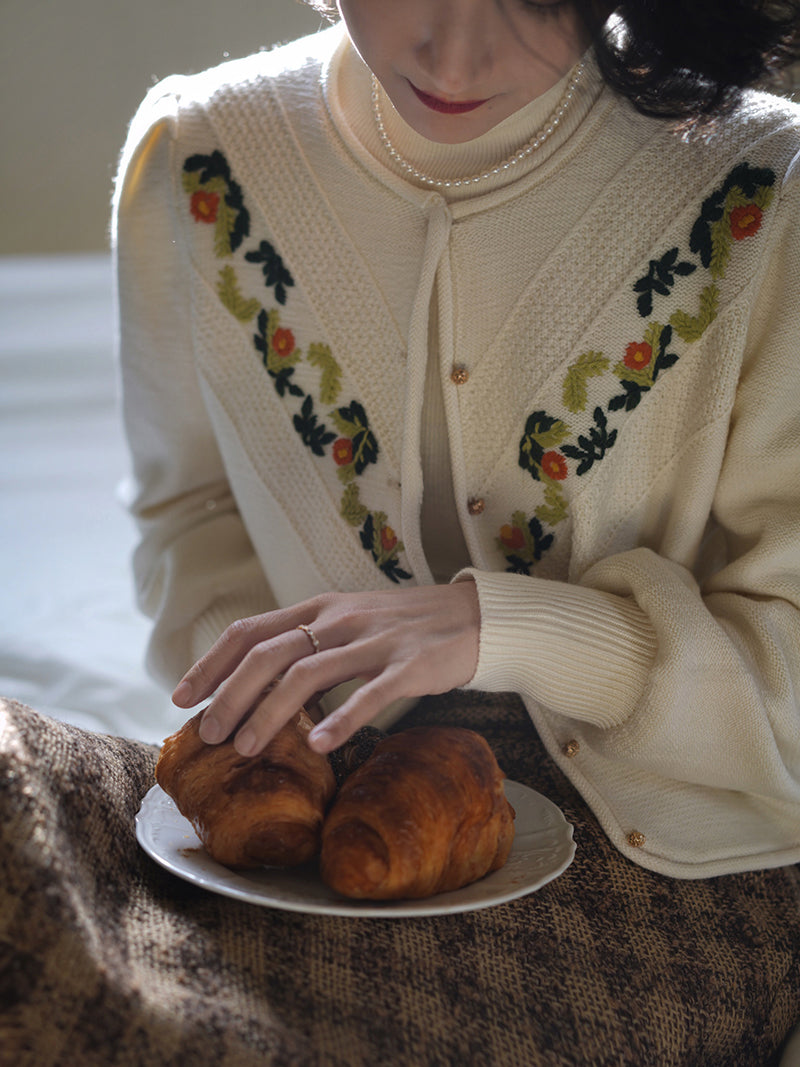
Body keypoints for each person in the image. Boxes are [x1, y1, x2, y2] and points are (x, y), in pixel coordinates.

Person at [113, 0, 800, 880]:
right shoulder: (203, 152)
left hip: (666, 841)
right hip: (297, 813)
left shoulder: (767, 189)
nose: (455, 61)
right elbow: (189, 516)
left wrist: (506, 628)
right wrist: (270, 712)